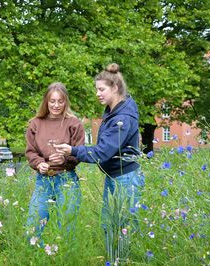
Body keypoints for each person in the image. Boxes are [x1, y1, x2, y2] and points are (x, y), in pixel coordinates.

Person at [54, 63, 145, 255]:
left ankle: (120, 260)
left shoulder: (123, 119)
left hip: (125, 179)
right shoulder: (114, 113)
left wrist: (72, 150)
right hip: (115, 177)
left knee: (122, 229)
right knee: (109, 225)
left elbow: (102, 152)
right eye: (97, 89)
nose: (97, 93)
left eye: (101, 89)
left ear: (115, 88)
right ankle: (115, 260)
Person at [25, 82, 85, 244]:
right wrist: (39, 164)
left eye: (60, 101)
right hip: (43, 180)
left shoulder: (74, 124)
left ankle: (63, 259)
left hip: (67, 180)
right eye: (52, 101)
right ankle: (40, 257)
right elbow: (30, 152)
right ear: (46, 102)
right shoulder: (36, 123)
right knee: (32, 228)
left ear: (66, 102)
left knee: (66, 229)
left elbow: (79, 152)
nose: (56, 105)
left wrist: (65, 159)